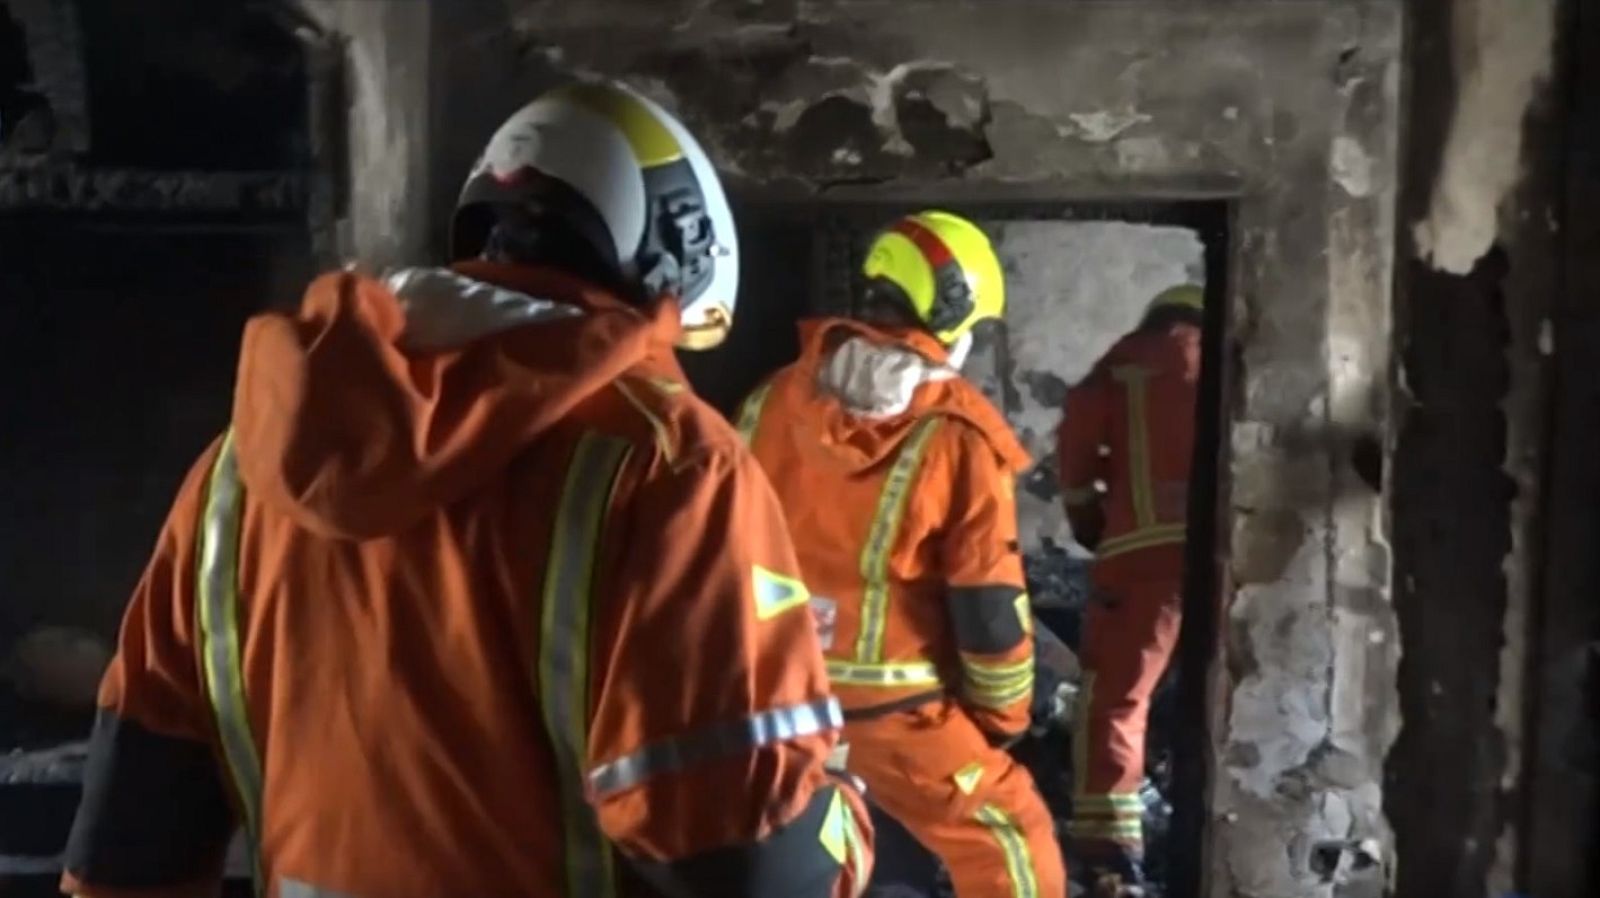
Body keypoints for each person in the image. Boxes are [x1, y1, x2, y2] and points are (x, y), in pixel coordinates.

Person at [61, 81, 872, 898]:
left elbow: (134, 824)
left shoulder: (236, 469)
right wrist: (845, 821)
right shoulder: (667, 463)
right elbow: (741, 855)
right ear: (677, 256)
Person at [736, 211, 1066, 898]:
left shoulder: (773, 399)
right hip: (894, 713)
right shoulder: (958, 432)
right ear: (955, 316)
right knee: (1010, 833)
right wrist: (1001, 723)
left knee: (800, 850)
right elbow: (989, 605)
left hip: (768, 699)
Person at [1056, 284, 1203, 891]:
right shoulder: (1229, 358)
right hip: (1226, 560)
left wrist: (1088, 520)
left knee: (1116, 701)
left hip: (1140, 560)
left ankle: (1109, 857)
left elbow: (1076, 449)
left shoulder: (1126, 360)